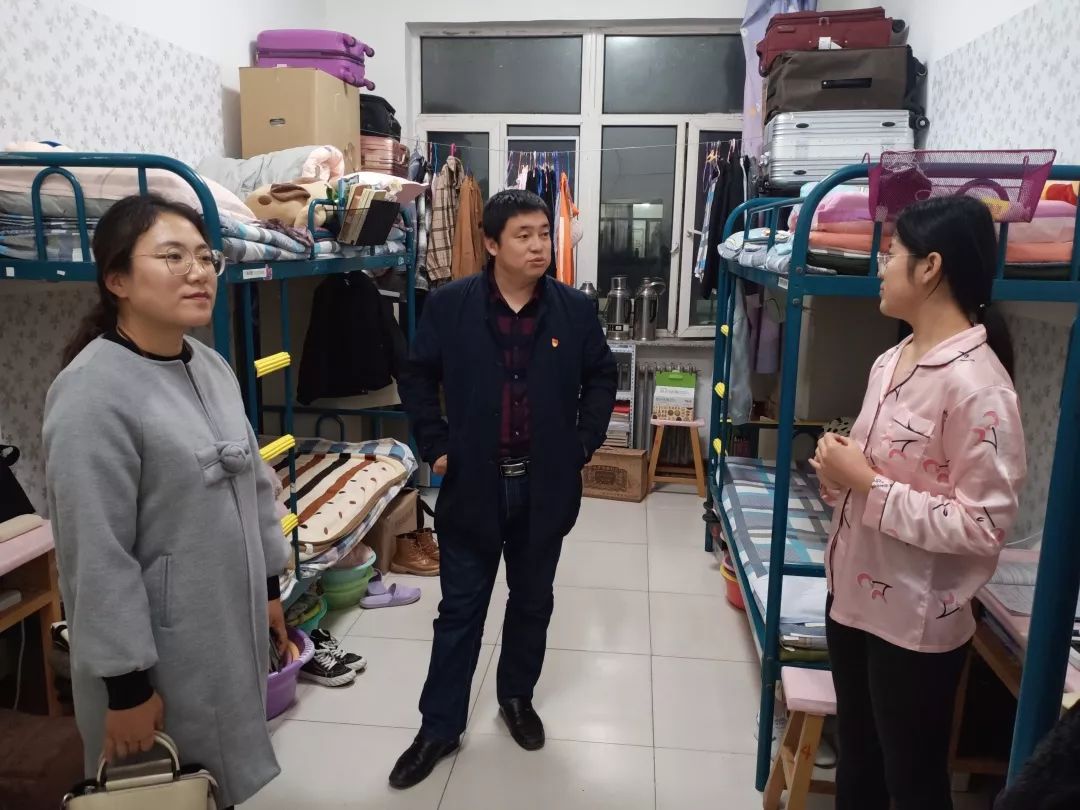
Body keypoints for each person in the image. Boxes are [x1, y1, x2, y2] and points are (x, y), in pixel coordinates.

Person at [43, 194, 290, 809]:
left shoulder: (210, 366)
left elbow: (253, 483)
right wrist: (126, 688)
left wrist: (268, 587)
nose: (198, 272)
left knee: (213, 783)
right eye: (173, 256)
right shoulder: (91, 394)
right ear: (117, 280)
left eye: (206, 258)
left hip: (226, 623)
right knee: (160, 790)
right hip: (156, 652)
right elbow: (95, 554)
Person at [391, 189, 617, 789]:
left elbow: (601, 375)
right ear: (491, 243)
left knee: (532, 601)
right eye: (524, 235)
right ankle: (439, 727)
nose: (539, 245)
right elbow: (416, 375)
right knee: (459, 610)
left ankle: (516, 697)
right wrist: (435, 443)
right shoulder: (450, 305)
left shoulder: (573, 310)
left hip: (544, 487)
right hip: (473, 486)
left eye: (544, 233)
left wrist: (582, 443)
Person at [810, 195, 1027, 810]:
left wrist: (867, 485)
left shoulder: (979, 387)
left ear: (930, 267)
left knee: (912, 783)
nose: (880, 268)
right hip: (852, 596)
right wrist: (838, 476)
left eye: (891, 254)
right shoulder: (891, 360)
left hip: (914, 620)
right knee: (858, 764)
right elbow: (880, 470)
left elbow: (982, 526)